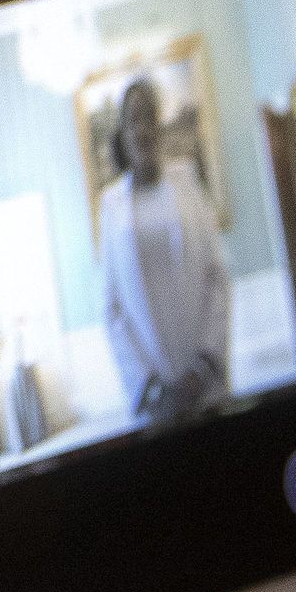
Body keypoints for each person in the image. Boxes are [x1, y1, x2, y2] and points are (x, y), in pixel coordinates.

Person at [95, 77, 230, 428]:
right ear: (123, 131)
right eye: (133, 120)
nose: (142, 130)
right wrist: (151, 388)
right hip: (154, 399)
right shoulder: (111, 206)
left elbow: (216, 276)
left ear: (159, 125)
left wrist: (203, 369)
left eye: (148, 118)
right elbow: (112, 309)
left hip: (203, 382)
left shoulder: (187, 182)